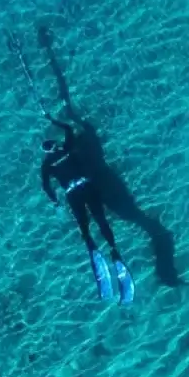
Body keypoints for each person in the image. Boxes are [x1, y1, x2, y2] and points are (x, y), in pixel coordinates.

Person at [41, 120, 132, 303]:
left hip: (74, 193)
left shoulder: (47, 164)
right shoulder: (65, 149)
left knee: (87, 226)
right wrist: (52, 119)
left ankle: (95, 248)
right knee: (99, 221)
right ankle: (112, 249)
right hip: (85, 188)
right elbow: (68, 128)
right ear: (54, 146)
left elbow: (46, 187)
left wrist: (56, 203)